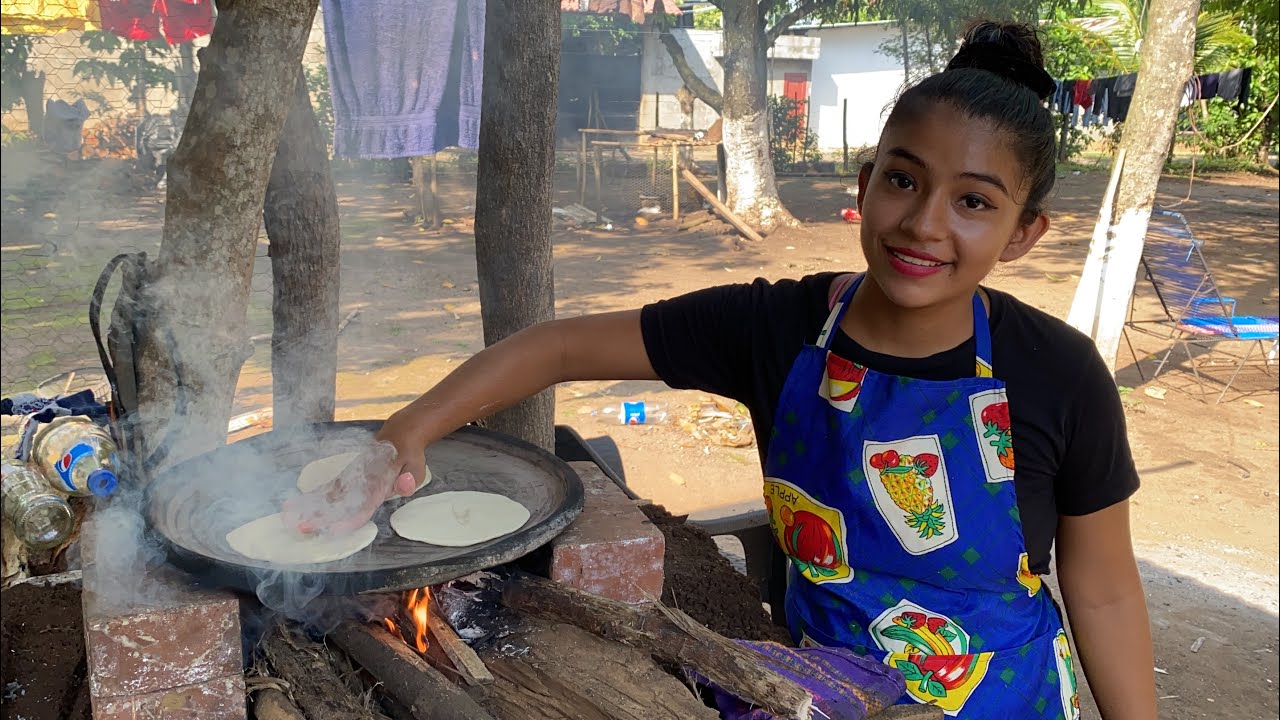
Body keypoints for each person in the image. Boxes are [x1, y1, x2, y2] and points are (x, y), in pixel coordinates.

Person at [285, 21, 1158, 719]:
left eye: (973, 201)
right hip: (819, 690)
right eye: (904, 180)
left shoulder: (1058, 373)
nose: (925, 223)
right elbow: (555, 347)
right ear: (866, 183)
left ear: (1023, 233)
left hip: (1006, 699)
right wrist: (406, 432)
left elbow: (1105, 592)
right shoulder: (775, 327)